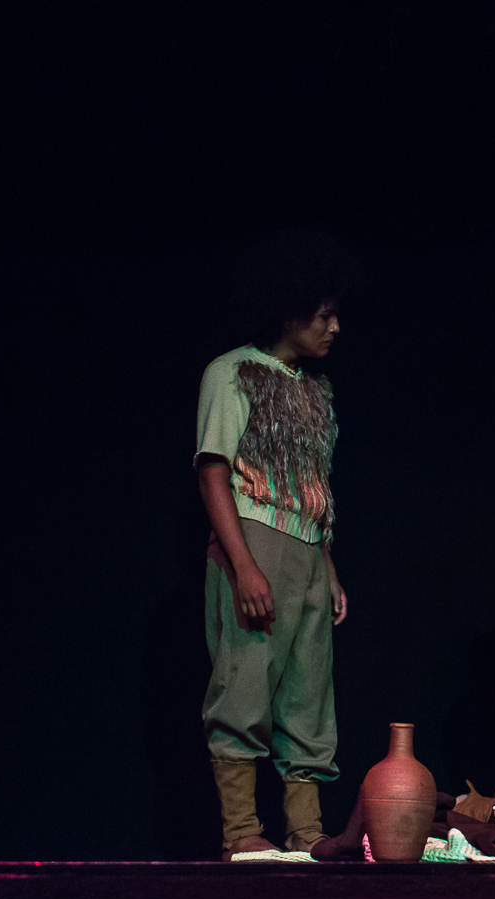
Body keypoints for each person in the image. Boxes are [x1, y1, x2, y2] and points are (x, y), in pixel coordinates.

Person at [194, 230, 360, 861]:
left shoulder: (315, 388)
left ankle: (306, 832)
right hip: (254, 541)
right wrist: (244, 567)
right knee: (244, 685)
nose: (335, 327)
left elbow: (310, 484)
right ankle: (241, 830)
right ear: (290, 311)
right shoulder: (231, 373)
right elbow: (213, 472)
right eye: (324, 315)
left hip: (308, 549)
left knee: (309, 695)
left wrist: (327, 566)